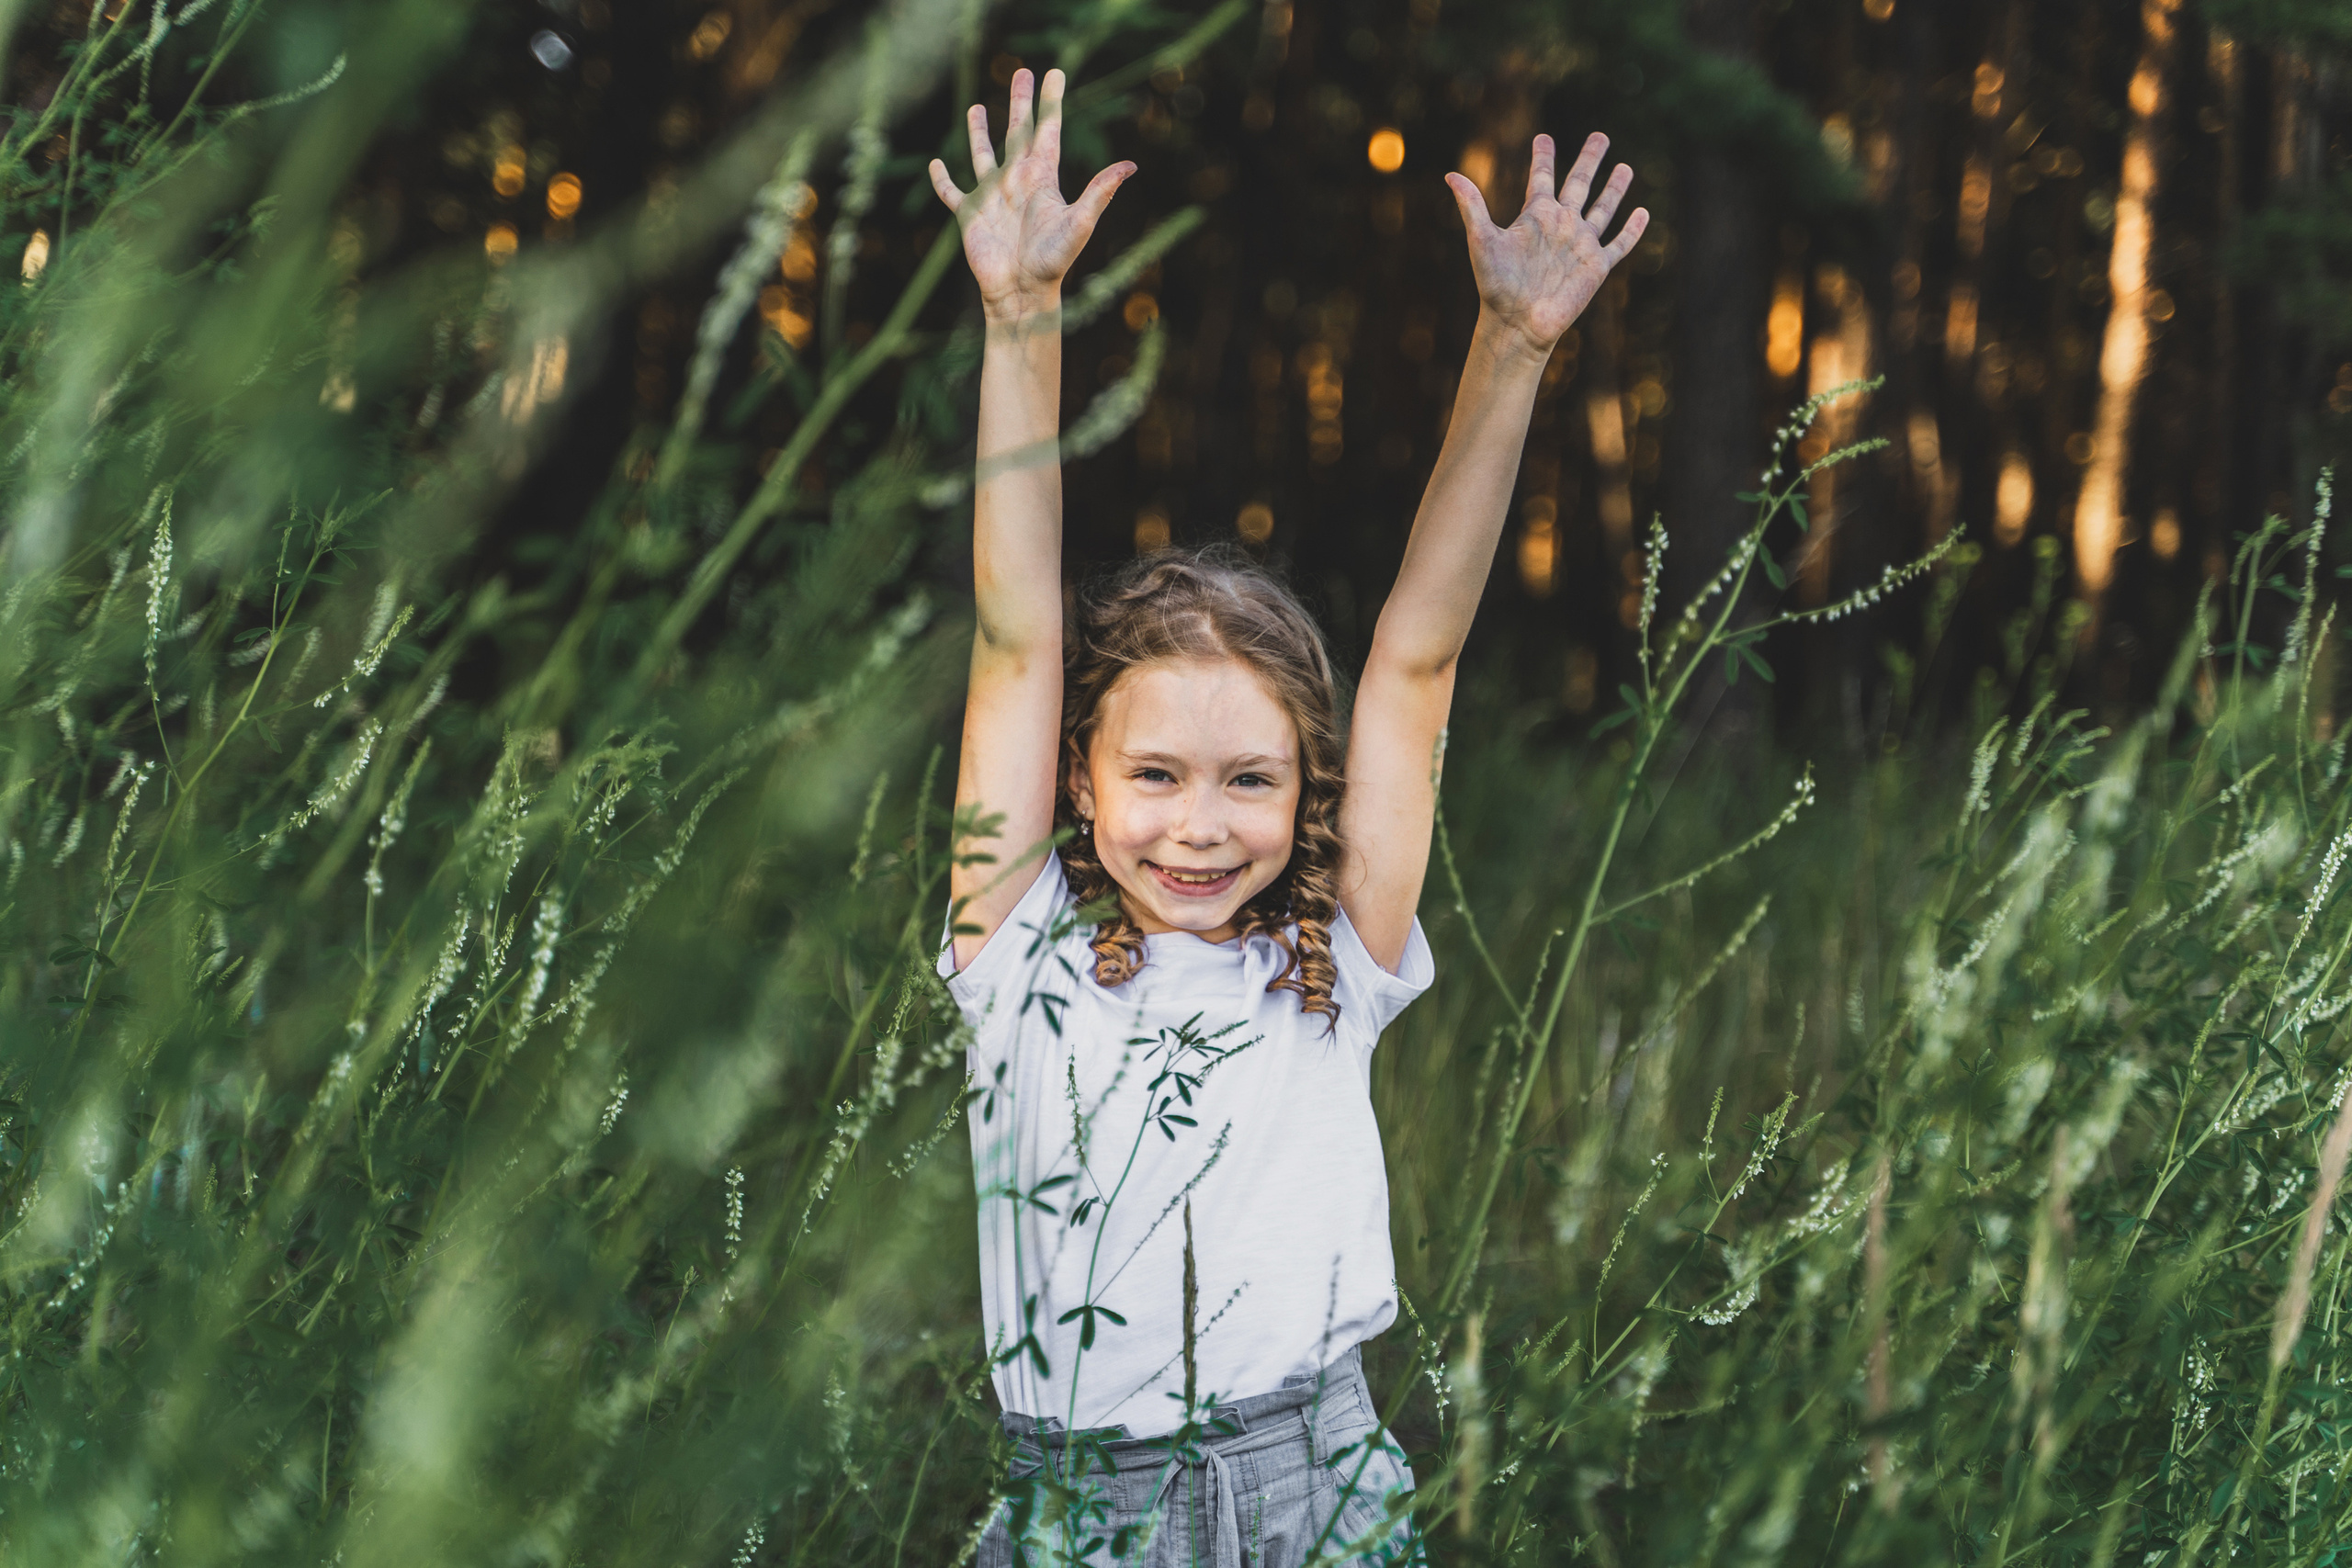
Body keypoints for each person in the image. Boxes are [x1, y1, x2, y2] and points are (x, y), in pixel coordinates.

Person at [929, 66, 1646, 1568]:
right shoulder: (1016, 949)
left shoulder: (1329, 958)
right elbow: (1014, 640)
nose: (1199, 827)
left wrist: (1514, 347)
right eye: (1155, 777)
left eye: (1250, 779)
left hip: (1311, 1483)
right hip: (1083, 1511)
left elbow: (1417, 660)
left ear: (1309, 793)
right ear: (1076, 783)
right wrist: (1022, 321)